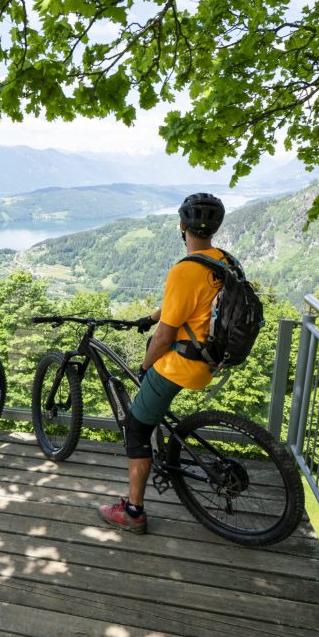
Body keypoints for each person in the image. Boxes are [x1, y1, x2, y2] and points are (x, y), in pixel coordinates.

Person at [98, 193, 228, 534]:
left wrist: (144, 366)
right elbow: (190, 305)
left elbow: (163, 338)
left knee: (136, 428)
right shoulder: (222, 262)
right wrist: (153, 316)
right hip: (211, 358)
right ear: (215, 228)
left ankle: (133, 512)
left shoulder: (185, 271)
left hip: (182, 363)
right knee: (150, 411)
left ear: (182, 226)